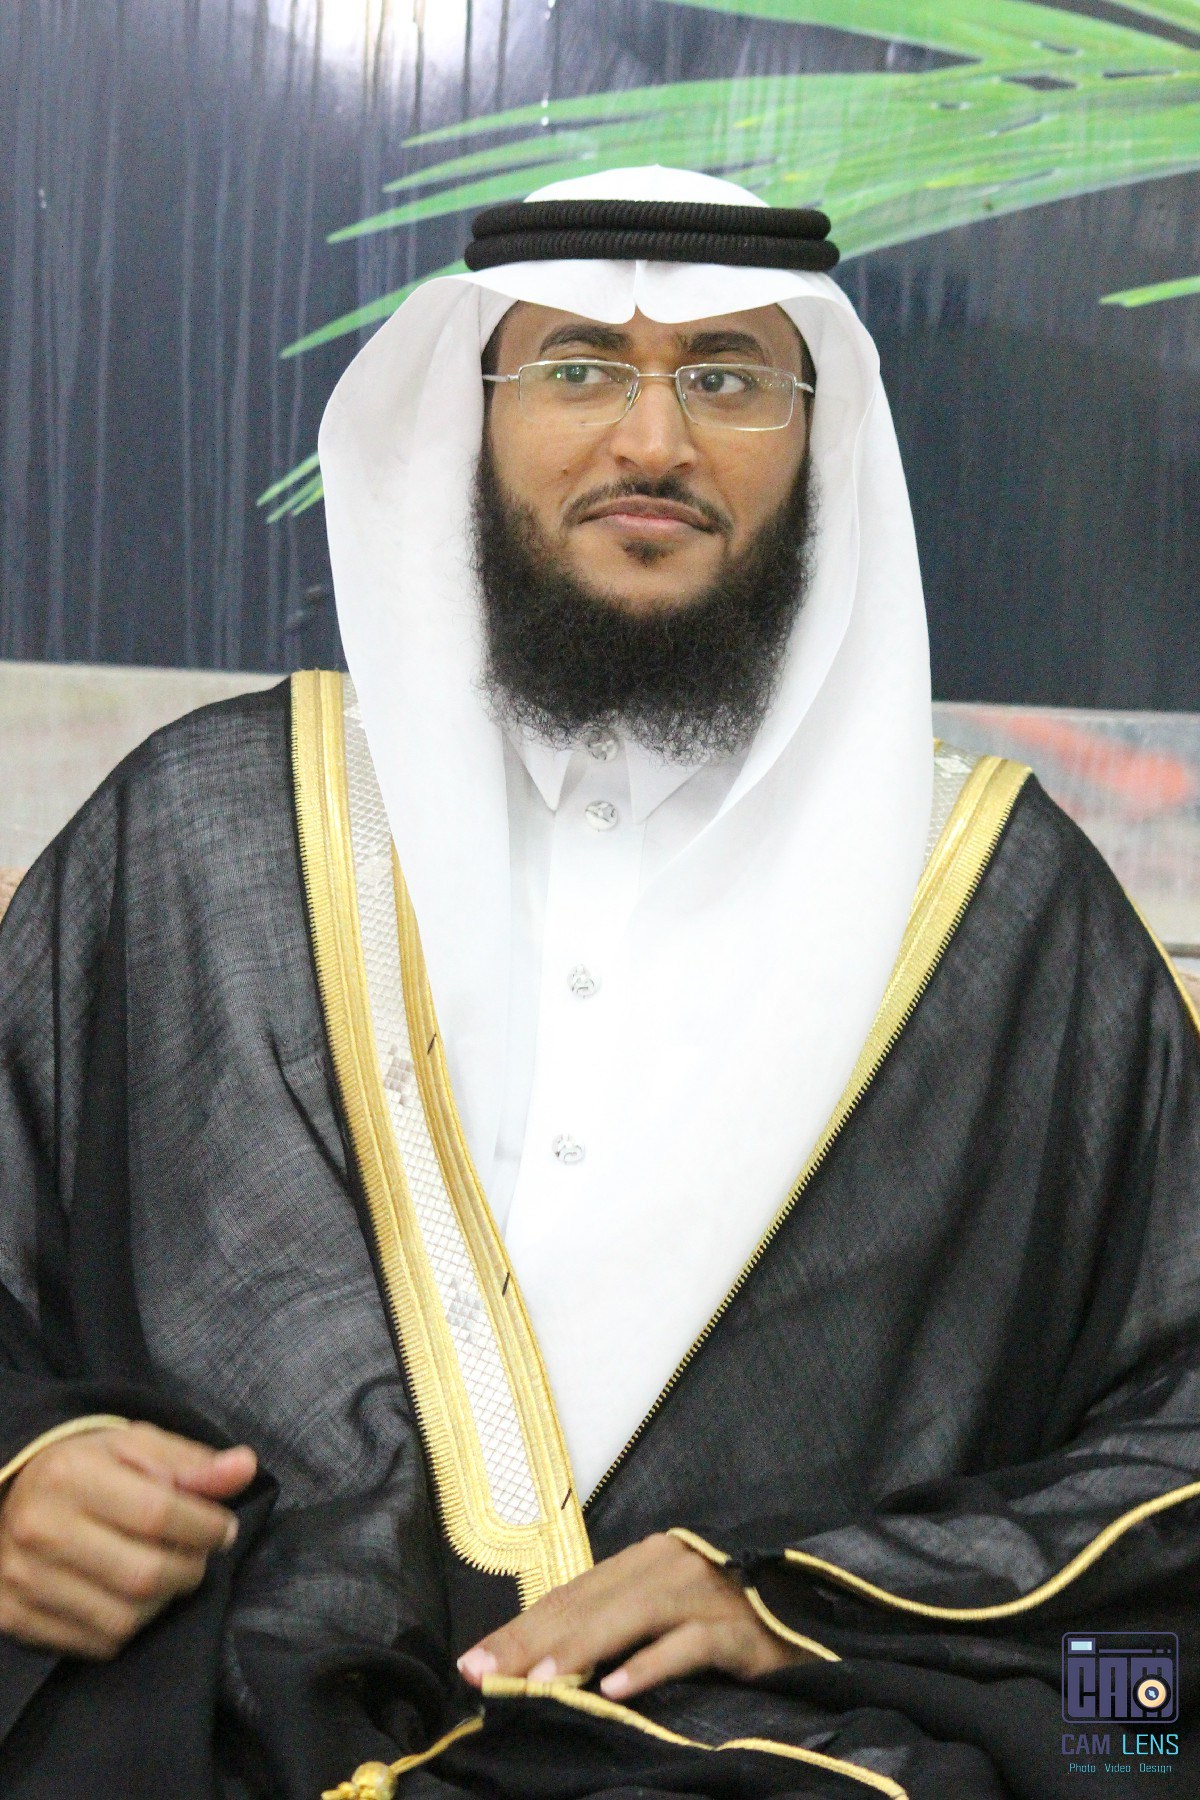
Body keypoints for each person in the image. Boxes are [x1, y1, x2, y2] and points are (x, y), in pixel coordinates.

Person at [0, 165, 1197, 1800]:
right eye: (577, 367)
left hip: (773, 1762)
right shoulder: (205, 837)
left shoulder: (1002, 907)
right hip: (223, 1749)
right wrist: (25, 1472)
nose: (651, 441)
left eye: (727, 378)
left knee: (1137, 1727)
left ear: (817, 440)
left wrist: (803, 1604)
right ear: (472, 416)